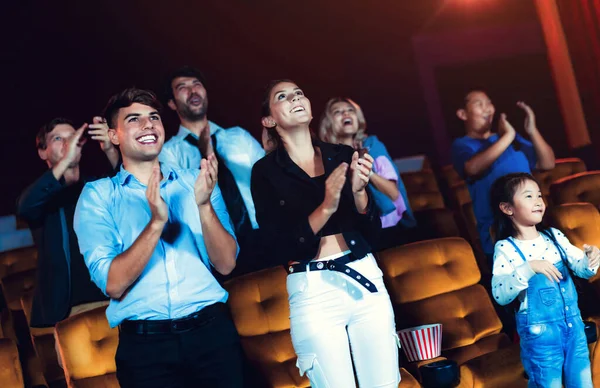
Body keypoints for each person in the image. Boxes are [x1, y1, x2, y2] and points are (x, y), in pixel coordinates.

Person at [74, 88, 244, 387]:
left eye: (153, 117)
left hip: (212, 335)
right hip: (146, 349)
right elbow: (113, 284)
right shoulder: (98, 196)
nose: (148, 124)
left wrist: (203, 205)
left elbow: (227, 264)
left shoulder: (197, 180)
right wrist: (155, 223)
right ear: (114, 136)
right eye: (134, 119)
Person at [251, 80, 400, 387]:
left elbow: (372, 231)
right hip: (312, 290)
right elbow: (277, 247)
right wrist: (327, 205)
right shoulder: (265, 172)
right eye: (283, 96)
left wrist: (359, 193)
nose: (295, 98)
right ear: (269, 119)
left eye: (299, 93)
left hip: (364, 276)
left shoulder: (342, 154)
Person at [490, 172, 597, 388]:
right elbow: (500, 294)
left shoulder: (554, 236)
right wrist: (528, 268)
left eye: (539, 195)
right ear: (507, 208)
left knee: (583, 382)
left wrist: (591, 258)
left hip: (574, 328)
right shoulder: (506, 248)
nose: (538, 201)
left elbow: (582, 268)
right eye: (528, 196)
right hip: (541, 340)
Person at [159, 66, 265, 276]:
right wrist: (204, 158)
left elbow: (269, 180)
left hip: (263, 236)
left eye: (197, 84)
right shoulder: (167, 153)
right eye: (183, 87)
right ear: (171, 103)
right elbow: (180, 204)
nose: (192, 90)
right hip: (213, 250)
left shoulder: (238, 137)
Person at [17, 116, 118, 329]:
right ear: (42, 152)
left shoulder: (95, 187)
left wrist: (110, 149)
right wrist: (65, 161)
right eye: (57, 139)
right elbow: (25, 207)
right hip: (70, 311)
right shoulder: (43, 196)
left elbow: (132, 193)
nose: (67, 143)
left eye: (72, 138)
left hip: (114, 299)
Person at [451, 90, 555, 264]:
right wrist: (507, 136)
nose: (488, 109)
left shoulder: (510, 138)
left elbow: (547, 163)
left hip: (535, 231)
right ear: (462, 114)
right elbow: (472, 168)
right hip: (500, 237)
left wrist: (532, 131)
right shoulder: (462, 145)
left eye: (489, 103)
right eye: (479, 104)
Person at [318, 97, 416, 250]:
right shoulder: (325, 158)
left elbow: (393, 193)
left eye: (350, 110)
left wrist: (366, 170)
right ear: (328, 123)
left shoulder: (372, 146)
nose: (346, 114)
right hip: (353, 234)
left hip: (389, 228)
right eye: (338, 112)